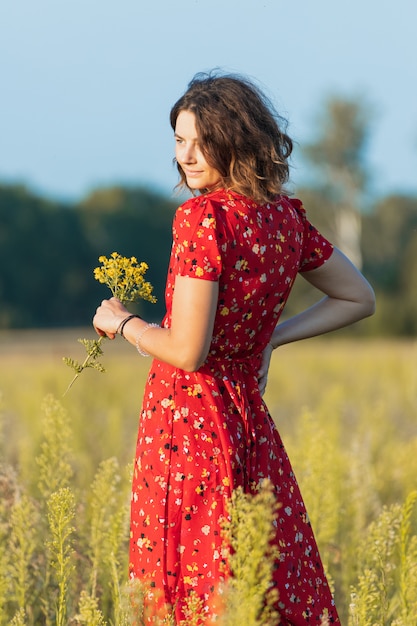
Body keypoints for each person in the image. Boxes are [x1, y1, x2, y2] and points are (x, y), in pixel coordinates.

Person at [93, 72, 375, 625]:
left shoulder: (203, 218)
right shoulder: (283, 218)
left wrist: (124, 323)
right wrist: (273, 335)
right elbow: (358, 296)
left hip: (188, 428)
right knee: (254, 582)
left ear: (238, 141)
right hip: (247, 424)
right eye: (180, 140)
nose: (188, 156)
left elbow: (187, 351)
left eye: (203, 141)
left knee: (194, 588)